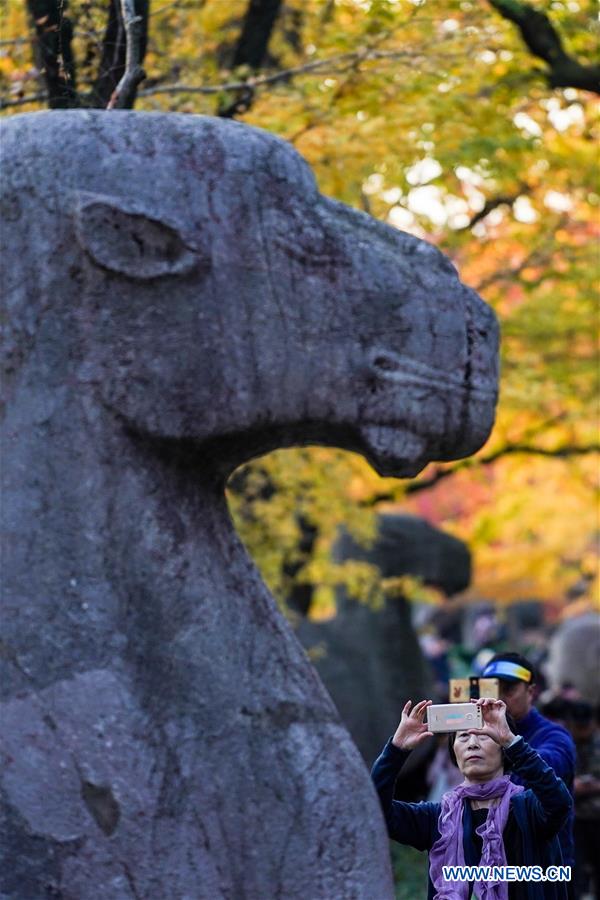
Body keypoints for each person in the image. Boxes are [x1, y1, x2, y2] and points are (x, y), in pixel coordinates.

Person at [371, 698, 572, 899]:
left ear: (503, 748)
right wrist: (397, 750)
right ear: (453, 752)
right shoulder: (438, 818)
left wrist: (512, 742)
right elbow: (376, 810)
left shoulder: (528, 808)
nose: (473, 744)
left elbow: (560, 802)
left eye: (484, 736)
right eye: (464, 736)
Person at [480, 652, 576, 871]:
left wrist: (509, 743)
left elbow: (553, 769)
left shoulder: (554, 735)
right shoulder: (479, 735)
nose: (499, 699)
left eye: (509, 690)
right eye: (491, 690)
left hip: (548, 868)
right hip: (497, 868)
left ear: (531, 691)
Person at [568, 702, 600, 898]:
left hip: (597, 817)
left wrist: (591, 786)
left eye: (585, 726)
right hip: (575, 819)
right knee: (576, 872)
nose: (582, 731)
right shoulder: (565, 744)